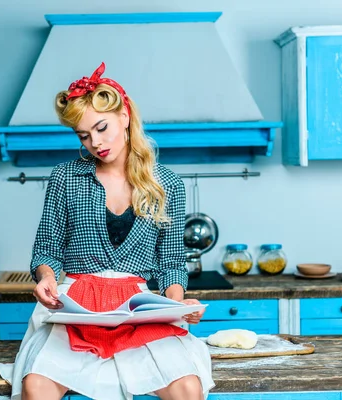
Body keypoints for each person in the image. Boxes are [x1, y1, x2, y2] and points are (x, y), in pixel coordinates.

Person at [11, 62, 215, 400]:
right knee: (37, 385)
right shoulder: (65, 177)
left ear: (125, 115)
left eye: (102, 128)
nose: (95, 142)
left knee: (186, 387)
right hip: (75, 306)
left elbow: (172, 262)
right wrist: (46, 276)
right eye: (84, 135)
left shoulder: (168, 185)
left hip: (138, 309)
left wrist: (176, 307)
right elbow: (46, 248)